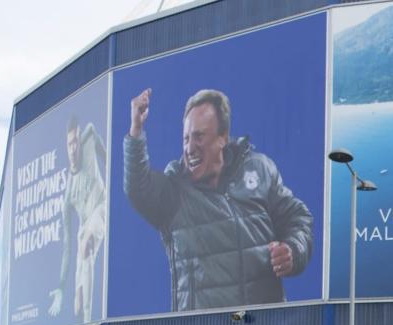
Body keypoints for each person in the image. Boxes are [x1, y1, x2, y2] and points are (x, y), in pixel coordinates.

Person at [123, 87, 314, 311]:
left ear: (223, 138)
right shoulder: (174, 191)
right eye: (186, 139)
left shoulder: (259, 169)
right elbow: (138, 188)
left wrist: (293, 250)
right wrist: (136, 131)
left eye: (199, 137)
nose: (189, 148)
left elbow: (298, 219)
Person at [49, 116, 107, 322]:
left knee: (85, 244)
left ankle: (90, 320)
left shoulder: (89, 135)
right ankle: (82, 316)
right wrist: (61, 287)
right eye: (69, 144)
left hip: (102, 207)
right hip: (84, 226)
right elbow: (67, 246)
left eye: (75, 142)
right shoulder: (68, 194)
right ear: (66, 147)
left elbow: (105, 155)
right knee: (76, 305)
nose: (73, 148)